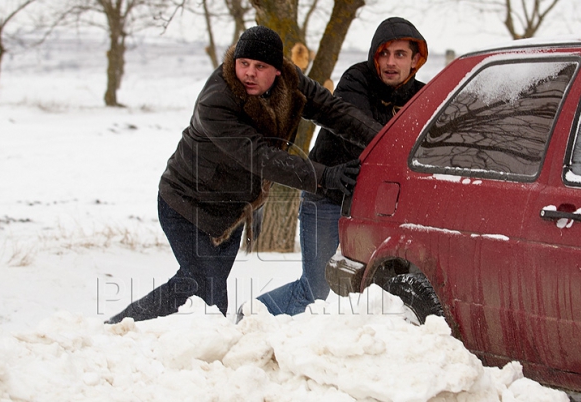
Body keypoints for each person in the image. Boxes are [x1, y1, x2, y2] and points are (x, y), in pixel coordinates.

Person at [106, 26, 383, 324]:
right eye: (244, 63)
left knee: (192, 286)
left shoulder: (290, 82)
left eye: (260, 66)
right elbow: (262, 157)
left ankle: (125, 327)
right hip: (185, 205)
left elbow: (332, 110)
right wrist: (326, 176)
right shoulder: (217, 101)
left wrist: (386, 140)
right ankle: (133, 330)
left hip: (231, 211)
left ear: (277, 70)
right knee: (209, 298)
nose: (249, 73)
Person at [253, 17, 428, 316]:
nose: (390, 62)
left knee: (373, 291)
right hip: (327, 197)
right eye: (384, 53)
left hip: (374, 208)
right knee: (316, 290)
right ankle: (254, 316)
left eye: (400, 55)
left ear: (415, 60)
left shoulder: (421, 98)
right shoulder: (356, 80)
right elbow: (360, 138)